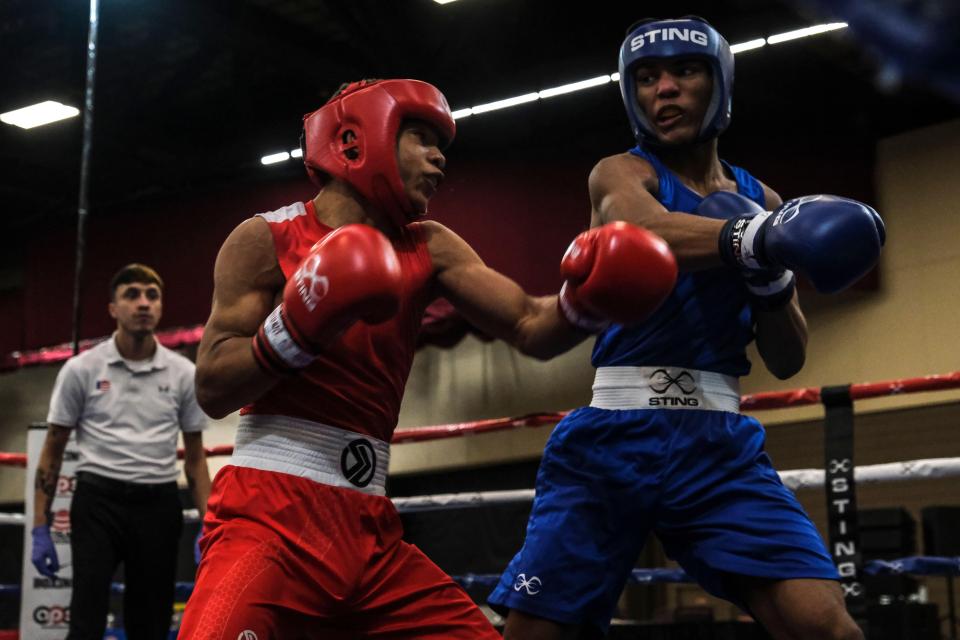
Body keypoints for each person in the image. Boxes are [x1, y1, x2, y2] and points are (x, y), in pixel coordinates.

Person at [176, 78, 678, 639]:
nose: (440, 157)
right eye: (421, 137)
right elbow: (213, 386)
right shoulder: (266, 237)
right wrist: (298, 325)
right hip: (269, 517)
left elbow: (529, 325)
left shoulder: (430, 244)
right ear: (353, 140)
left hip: (370, 529)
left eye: (443, 145)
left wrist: (585, 303)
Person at [488, 16, 885, 640]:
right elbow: (642, 232)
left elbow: (787, 358)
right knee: (535, 635)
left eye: (684, 71)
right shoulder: (621, 173)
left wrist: (771, 280)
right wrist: (755, 239)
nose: (663, 90)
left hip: (719, 444)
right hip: (615, 436)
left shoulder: (764, 198)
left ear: (720, 83)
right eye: (646, 78)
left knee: (825, 625)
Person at [31, 263, 211, 640]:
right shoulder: (81, 369)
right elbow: (52, 449)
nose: (143, 303)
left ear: (161, 306)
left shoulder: (182, 373)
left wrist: (211, 526)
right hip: (98, 503)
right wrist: (38, 527)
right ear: (113, 308)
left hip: (158, 504)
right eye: (132, 294)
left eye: (152, 295)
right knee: (86, 617)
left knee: (151, 621)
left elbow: (195, 459)